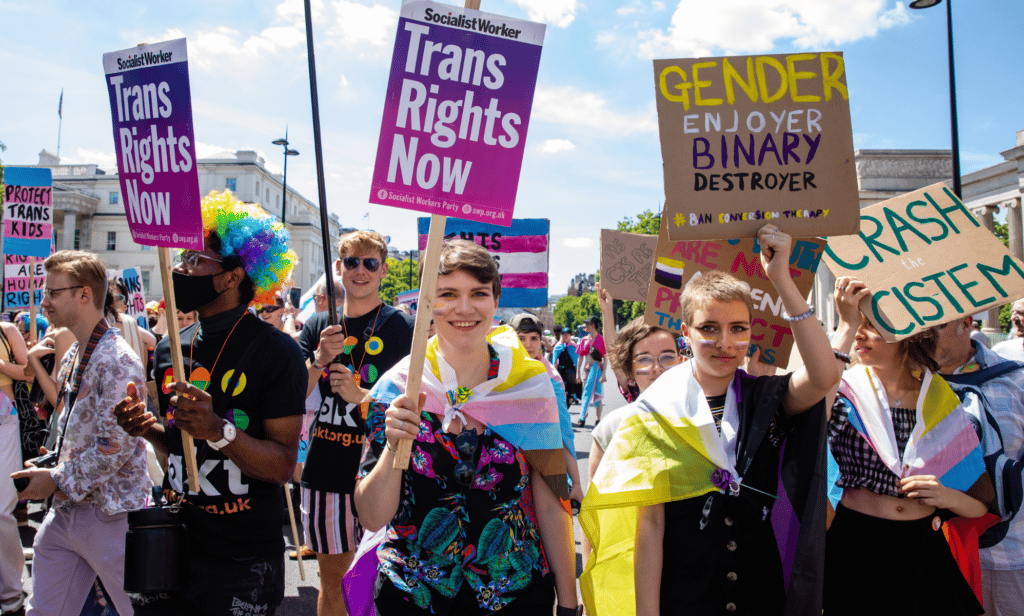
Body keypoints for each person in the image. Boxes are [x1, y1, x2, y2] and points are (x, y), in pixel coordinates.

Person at [582, 224, 839, 616]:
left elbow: (824, 377)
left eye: (738, 328)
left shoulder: (769, 399)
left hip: (761, 593)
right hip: (685, 596)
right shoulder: (654, 415)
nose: (725, 342)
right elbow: (649, 528)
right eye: (709, 329)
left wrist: (782, 281)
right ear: (684, 333)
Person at [354, 239, 578, 616]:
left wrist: (570, 602)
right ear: (427, 303)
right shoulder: (397, 391)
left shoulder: (531, 386)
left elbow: (552, 503)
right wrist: (394, 446)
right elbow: (372, 517)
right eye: (447, 293)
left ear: (495, 300)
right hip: (413, 595)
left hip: (514, 594)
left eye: (478, 293)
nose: (464, 307)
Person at [115, 191, 306, 615]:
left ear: (232, 276)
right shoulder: (169, 348)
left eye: (194, 259)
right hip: (170, 541)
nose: (181, 268)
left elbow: (279, 466)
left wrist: (218, 429)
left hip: (241, 558)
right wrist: (147, 428)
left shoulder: (277, 352)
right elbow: (183, 452)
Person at [825, 277, 993, 616]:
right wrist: (845, 325)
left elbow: (980, 505)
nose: (860, 333)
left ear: (908, 336)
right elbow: (808, 415)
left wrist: (948, 497)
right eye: (858, 324)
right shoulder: (842, 391)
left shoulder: (940, 399)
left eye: (871, 326)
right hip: (857, 544)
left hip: (921, 547)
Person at [13, 250, 151, 616]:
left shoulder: (119, 360)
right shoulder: (76, 351)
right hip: (68, 510)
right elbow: (77, 427)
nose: (44, 301)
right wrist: (51, 463)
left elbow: (114, 446)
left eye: (53, 292)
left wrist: (54, 480)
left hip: (111, 513)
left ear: (85, 295)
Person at [298, 230, 414, 616]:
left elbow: (418, 405)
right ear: (338, 268)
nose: (360, 271)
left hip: (384, 475)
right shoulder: (317, 326)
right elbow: (286, 398)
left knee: (383, 585)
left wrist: (362, 397)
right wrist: (318, 359)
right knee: (334, 582)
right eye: (351, 262)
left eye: (370, 263)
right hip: (326, 474)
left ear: (383, 270)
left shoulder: (401, 327)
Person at [932, 314, 1024, 615]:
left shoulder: (1016, 380)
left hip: (1010, 555)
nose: (923, 336)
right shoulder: (905, 386)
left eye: (935, 326)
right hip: (938, 554)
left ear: (966, 323)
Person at [510, 313, 584, 508]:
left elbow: (564, 433)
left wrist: (576, 482)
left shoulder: (551, 379)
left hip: (540, 467)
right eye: (521, 339)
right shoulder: (497, 373)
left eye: (534, 338)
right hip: (505, 468)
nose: (528, 345)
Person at [576, 316, 606, 428]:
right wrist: (577, 372)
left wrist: (603, 374)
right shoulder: (584, 340)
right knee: (586, 393)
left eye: (587, 324)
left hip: (597, 370)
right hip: (587, 371)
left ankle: (598, 419)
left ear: (593, 325)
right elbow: (580, 357)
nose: (585, 326)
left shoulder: (601, 339)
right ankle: (582, 417)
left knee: (597, 395)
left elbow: (605, 357)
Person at [551, 326, 579, 408]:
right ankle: (564, 411)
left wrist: (578, 375)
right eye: (563, 334)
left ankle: (567, 408)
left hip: (571, 372)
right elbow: (554, 362)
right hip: (561, 371)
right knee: (561, 393)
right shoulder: (558, 346)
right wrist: (553, 375)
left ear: (570, 335)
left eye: (567, 334)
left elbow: (577, 362)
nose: (565, 336)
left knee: (571, 394)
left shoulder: (574, 346)